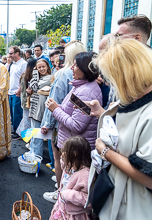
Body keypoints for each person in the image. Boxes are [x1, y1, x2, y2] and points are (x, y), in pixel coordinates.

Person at [85, 39, 152, 219]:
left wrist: (105, 151)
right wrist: (102, 113)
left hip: (137, 205)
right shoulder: (137, 97)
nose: (111, 83)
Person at [41, 41, 86, 203]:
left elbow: (57, 102)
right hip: (74, 129)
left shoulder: (65, 75)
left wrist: (47, 122)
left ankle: (60, 192)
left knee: (61, 159)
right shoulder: (87, 82)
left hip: (65, 126)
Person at [49, 136, 92, 220]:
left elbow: (88, 200)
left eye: (65, 152)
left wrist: (67, 194)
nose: (62, 154)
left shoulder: (85, 175)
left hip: (74, 215)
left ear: (74, 155)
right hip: (62, 207)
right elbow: (64, 166)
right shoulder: (71, 165)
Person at [27, 59, 53, 158]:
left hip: (40, 109)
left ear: (47, 67)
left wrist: (34, 74)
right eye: (39, 67)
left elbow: (35, 86)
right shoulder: (38, 77)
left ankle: (36, 156)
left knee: (37, 134)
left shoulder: (49, 78)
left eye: (43, 67)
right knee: (34, 132)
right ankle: (33, 152)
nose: (41, 69)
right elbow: (32, 89)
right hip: (34, 109)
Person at [8, 46, 27, 138]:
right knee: (12, 113)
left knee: (17, 114)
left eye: (11, 53)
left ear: (17, 53)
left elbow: (25, 78)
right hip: (11, 91)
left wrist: (19, 90)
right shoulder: (13, 64)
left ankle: (19, 133)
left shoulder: (23, 64)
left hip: (17, 92)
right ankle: (15, 130)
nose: (9, 55)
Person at [16, 58, 37, 136]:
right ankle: (27, 138)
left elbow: (22, 87)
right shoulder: (32, 76)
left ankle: (24, 136)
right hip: (30, 101)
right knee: (28, 121)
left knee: (25, 119)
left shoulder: (24, 75)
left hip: (24, 100)